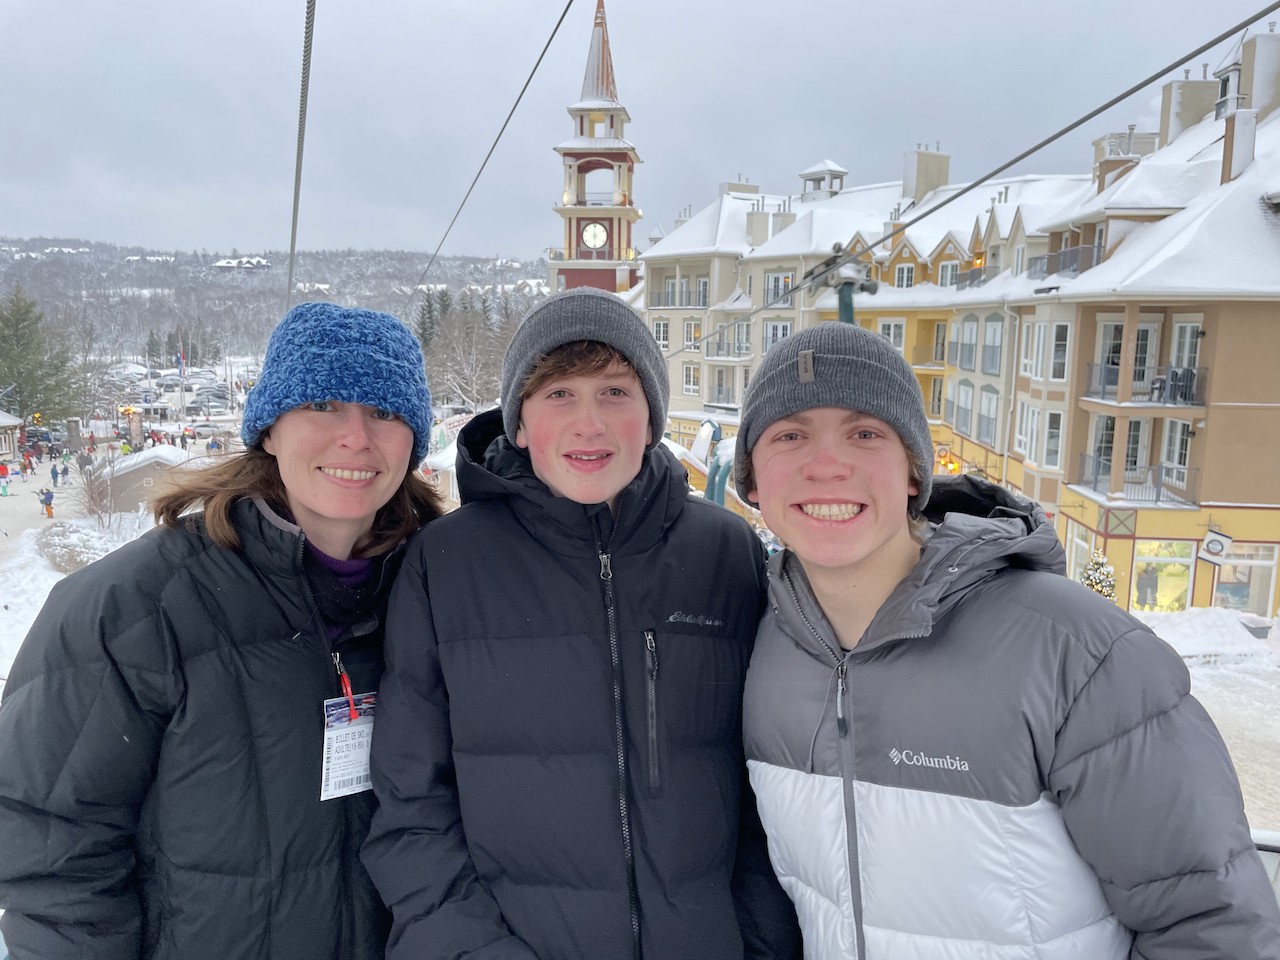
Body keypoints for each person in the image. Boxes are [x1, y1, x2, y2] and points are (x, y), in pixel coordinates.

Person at [733, 322, 1280, 959]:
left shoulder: (1077, 653)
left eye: (865, 433)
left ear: (914, 473)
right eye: (790, 435)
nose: (827, 465)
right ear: (751, 483)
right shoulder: (763, 649)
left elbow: (1212, 923)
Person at [362, 287, 800, 960]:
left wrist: (757, 941)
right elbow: (410, 813)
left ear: (652, 417)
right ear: (520, 423)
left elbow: (767, 789)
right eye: (559, 394)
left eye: (615, 392)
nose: (589, 422)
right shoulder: (446, 565)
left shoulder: (724, 554)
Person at [0, 302, 443, 959]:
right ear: (268, 430)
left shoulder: (435, 599)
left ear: (414, 441)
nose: (356, 437)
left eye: (384, 411)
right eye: (322, 404)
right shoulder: (134, 609)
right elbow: (53, 855)